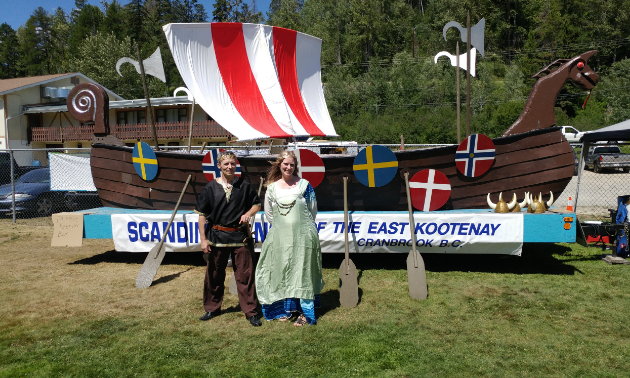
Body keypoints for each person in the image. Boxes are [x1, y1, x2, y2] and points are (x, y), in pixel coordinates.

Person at [255, 151, 325, 326]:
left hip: (303, 237)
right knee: (282, 270)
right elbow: (270, 215)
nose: (288, 167)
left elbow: (312, 211)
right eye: (285, 164)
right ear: (280, 165)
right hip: (280, 238)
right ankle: (284, 309)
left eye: (292, 165)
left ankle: (304, 312)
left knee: (303, 272)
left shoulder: (305, 185)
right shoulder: (271, 188)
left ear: (295, 167)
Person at [195, 151, 262, 327]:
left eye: (232, 164)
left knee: (245, 275)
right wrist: (203, 239)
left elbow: (256, 204)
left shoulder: (244, 185)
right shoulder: (210, 188)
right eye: (226, 164)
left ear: (236, 165)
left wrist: (248, 214)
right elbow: (202, 215)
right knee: (214, 275)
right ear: (219, 166)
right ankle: (212, 308)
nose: (230, 167)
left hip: (240, 237)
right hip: (217, 237)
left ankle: (251, 311)